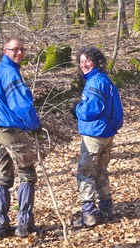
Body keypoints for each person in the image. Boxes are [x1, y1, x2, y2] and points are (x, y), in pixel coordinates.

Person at [0, 37, 42, 238]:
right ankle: (24, 225)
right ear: (5, 50)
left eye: (22, 50)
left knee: (4, 177)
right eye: (14, 50)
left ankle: (1, 225)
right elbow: (22, 105)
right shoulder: (9, 73)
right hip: (9, 130)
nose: (19, 53)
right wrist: (34, 125)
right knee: (27, 174)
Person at [71, 46, 122, 228]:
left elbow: (91, 109)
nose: (84, 64)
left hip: (94, 133)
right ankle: (107, 208)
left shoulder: (95, 82)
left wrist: (77, 109)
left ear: (96, 61)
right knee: (101, 170)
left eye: (88, 60)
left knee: (86, 172)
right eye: (82, 61)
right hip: (107, 132)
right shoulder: (105, 79)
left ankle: (89, 214)